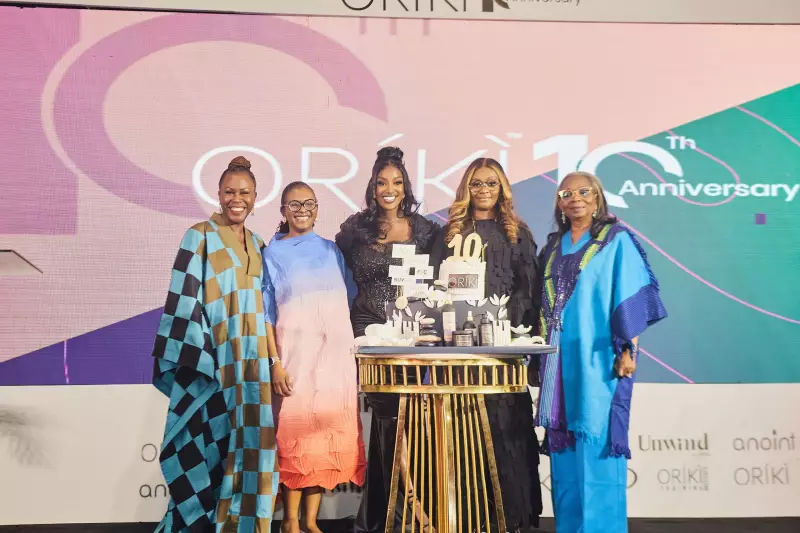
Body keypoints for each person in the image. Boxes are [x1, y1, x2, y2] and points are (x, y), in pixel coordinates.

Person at [535, 171, 667, 533]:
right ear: (559, 202)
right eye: (566, 193)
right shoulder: (553, 246)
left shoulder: (615, 239)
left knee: (597, 443)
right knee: (564, 452)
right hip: (559, 360)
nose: (575, 198)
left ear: (597, 198)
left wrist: (629, 350)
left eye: (583, 191)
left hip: (599, 357)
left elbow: (630, 293)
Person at [152, 156, 278, 532]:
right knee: (208, 445)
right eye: (229, 192)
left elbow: (269, 309)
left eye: (244, 192)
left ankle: (242, 524)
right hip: (214, 363)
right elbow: (183, 300)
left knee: (252, 446)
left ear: (256, 196)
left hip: (254, 367)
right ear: (218, 194)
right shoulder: (199, 236)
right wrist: (200, 359)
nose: (236, 199)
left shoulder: (259, 243)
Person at [430, 157, 542, 532]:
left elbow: (529, 291)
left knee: (505, 431)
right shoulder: (446, 235)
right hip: (457, 353)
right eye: (476, 183)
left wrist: (505, 327)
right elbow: (432, 289)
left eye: (491, 183)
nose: (483, 190)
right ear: (466, 188)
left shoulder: (518, 234)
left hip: (501, 353)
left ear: (502, 189)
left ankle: (510, 518)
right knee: (462, 432)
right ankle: (465, 516)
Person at [335, 147, 440, 533]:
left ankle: (386, 515)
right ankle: (402, 515)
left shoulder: (425, 231)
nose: (389, 189)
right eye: (382, 182)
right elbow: (328, 268)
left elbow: (438, 281)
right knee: (388, 415)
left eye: (396, 182)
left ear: (406, 187)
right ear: (372, 187)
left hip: (411, 334)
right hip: (369, 334)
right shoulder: (354, 230)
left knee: (406, 420)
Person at [262, 182, 367, 533]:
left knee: (323, 440)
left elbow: (346, 300)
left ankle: (310, 521)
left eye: (309, 203)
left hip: (334, 363)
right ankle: (290, 521)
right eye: (294, 204)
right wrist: (275, 364)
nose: (302, 209)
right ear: (283, 210)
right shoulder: (271, 254)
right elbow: (266, 316)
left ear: (317, 208)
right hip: (296, 361)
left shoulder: (331, 250)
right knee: (297, 436)